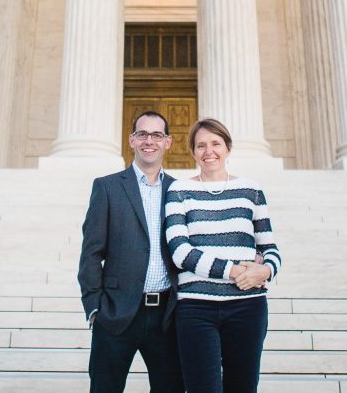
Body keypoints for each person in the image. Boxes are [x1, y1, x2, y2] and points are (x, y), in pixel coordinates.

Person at [165, 118, 282, 393]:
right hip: (196, 308)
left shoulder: (250, 190)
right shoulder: (179, 191)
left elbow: (270, 249)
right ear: (193, 152)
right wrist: (235, 271)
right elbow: (181, 252)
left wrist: (264, 271)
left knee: (243, 387)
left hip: (247, 307)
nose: (209, 151)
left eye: (216, 143)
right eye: (201, 145)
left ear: (228, 148)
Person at [78, 111, 186, 393]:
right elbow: (91, 252)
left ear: (168, 142)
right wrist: (94, 307)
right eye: (142, 134)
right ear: (131, 140)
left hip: (167, 316)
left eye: (157, 135)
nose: (149, 141)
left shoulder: (181, 191)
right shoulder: (107, 187)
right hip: (116, 313)